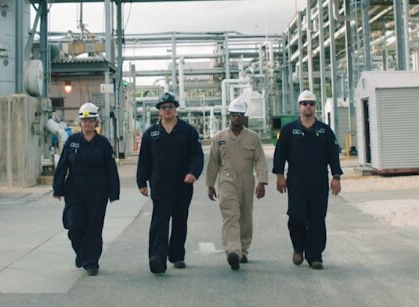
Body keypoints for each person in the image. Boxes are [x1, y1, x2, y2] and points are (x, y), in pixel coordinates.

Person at [272, 90, 343, 270]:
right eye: (304, 103)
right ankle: (298, 247)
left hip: (318, 183)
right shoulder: (289, 130)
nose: (308, 107)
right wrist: (279, 176)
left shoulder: (324, 131)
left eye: (311, 103)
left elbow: (333, 155)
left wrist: (336, 177)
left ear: (315, 106)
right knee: (296, 216)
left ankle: (314, 256)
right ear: (299, 106)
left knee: (317, 219)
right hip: (296, 182)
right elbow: (280, 154)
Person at [135, 91, 203, 274]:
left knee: (180, 220)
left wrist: (193, 173)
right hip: (160, 184)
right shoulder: (152, 134)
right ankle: (157, 257)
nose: (167, 110)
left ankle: (177, 255)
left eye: (170, 107)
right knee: (160, 221)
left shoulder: (187, 131)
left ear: (175, 109)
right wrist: (141, 182)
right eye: (164, 107)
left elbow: (197, 155)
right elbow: (144, 160)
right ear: (159, 111)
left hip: (183, 184)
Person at [52, 103, 120, 276]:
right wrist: (57, 188)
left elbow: (111, 169)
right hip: (75, 192)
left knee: (94, 228)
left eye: (91, 120)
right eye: (84, 120)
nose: (88, 124)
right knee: (74, 225)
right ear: (80, 122)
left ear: (96, 122)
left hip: (98, 193)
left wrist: (114, 192)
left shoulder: (103, 144)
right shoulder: (72, 141)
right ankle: (81, 252)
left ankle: (91, 262)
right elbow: (62, 166)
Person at [205, 98, 268, 271]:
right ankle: (233, 250)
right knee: (230, 215)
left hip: (247, 180)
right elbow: (213, 162)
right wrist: (210, 184)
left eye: (240, 115)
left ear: (244, 117)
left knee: (245, 216)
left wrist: (262, 182)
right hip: (226, 180)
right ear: (229, 116)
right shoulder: (219, 138)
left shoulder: (253, 138)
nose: (237, 118)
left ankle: (244, 249)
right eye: (234, 115)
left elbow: (260, 161)